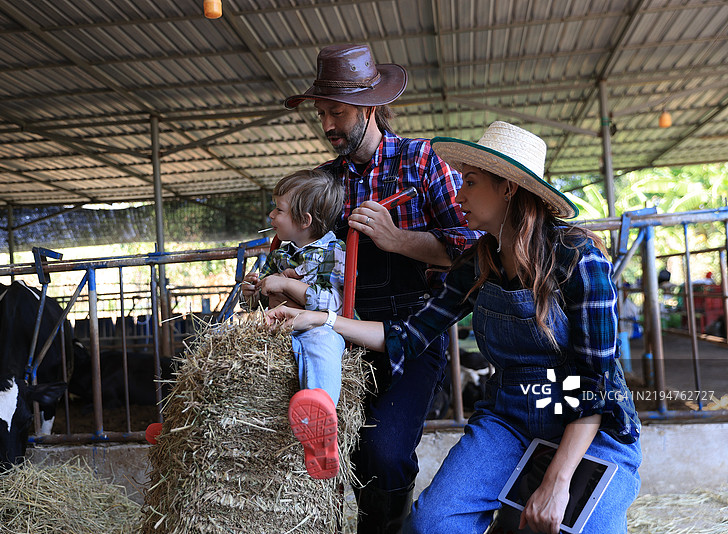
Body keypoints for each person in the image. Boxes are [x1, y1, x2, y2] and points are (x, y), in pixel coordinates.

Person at [267, 121, 642, 534]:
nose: (458, 195)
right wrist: (322, 319)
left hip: (590, 425)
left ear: (509, 189)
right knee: (430, 525)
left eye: (471, 182)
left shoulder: (578, 256)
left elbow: (595, 384)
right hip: (511, 418)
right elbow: (406, 337)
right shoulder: (479, 263)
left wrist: (557, 480)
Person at [284, 43, 481, 531]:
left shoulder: (421, 161)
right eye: (323, 113)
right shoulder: (327, 180)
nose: (328, 125)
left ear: (370, 108)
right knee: (351, 447)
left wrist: (399, 240)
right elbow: (301, 242)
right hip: (343, 330)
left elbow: (473, 250)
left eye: (338, 113)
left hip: (412, 330)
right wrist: (289, 273)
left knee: (386, 450)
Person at [241, 169, 347, 480]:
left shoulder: (333, 251)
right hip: (275, 328)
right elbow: (264, 299)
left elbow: (334, 303)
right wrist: (253, 292)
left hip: (314, 327)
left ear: (305, 221)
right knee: (223, 339)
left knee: (324, 346)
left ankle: (320, 425)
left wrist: (287, 287)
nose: (271, 214)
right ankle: (181, 421)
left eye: (278, 209)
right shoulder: (279, 252)